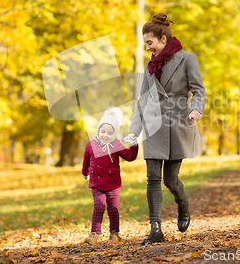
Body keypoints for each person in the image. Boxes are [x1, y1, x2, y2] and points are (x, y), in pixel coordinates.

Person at [127, 13, 206, 244]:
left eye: (149, 43)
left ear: (163, 39)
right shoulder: (149, 65)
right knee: (152, 178)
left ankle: (183, 204)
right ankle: (155, 229)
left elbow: (198, 90)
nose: (147, 48)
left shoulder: (187, 59)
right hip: (153, 127)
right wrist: (134, 131)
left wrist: (196, 108)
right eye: (145, 44)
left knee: (170, 181)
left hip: (177, 125)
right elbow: (143, 99)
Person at [82, 106, 138, 245]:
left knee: (113, 209)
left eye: (109, 133)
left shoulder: (116, 145)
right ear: (98, 131)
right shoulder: (91, 145)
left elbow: (129, 157)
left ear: (114, 134)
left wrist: (134, 146)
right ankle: (94, 233)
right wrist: (85, 172)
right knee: (99, 206)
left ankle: (114, 234)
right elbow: (86, 160)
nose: (105, 135)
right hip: (97, 184)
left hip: (113, 184)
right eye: (103, 131)